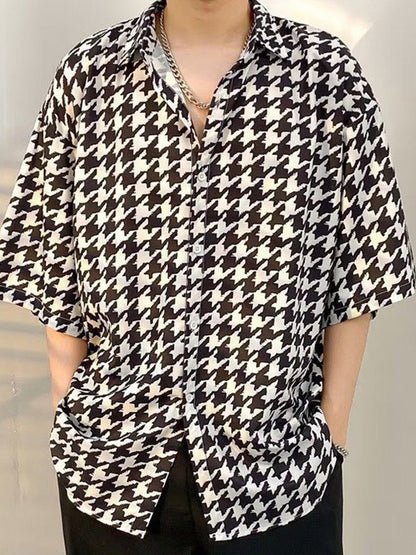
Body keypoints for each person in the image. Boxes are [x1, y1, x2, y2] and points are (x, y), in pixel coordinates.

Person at [0, 0, 415, 553]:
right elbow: (52, 263)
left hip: (280, 473)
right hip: (111, 468)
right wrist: (73, 422)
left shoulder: (325, 76)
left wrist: (331, 434)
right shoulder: (89, 75)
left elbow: (364, 261)